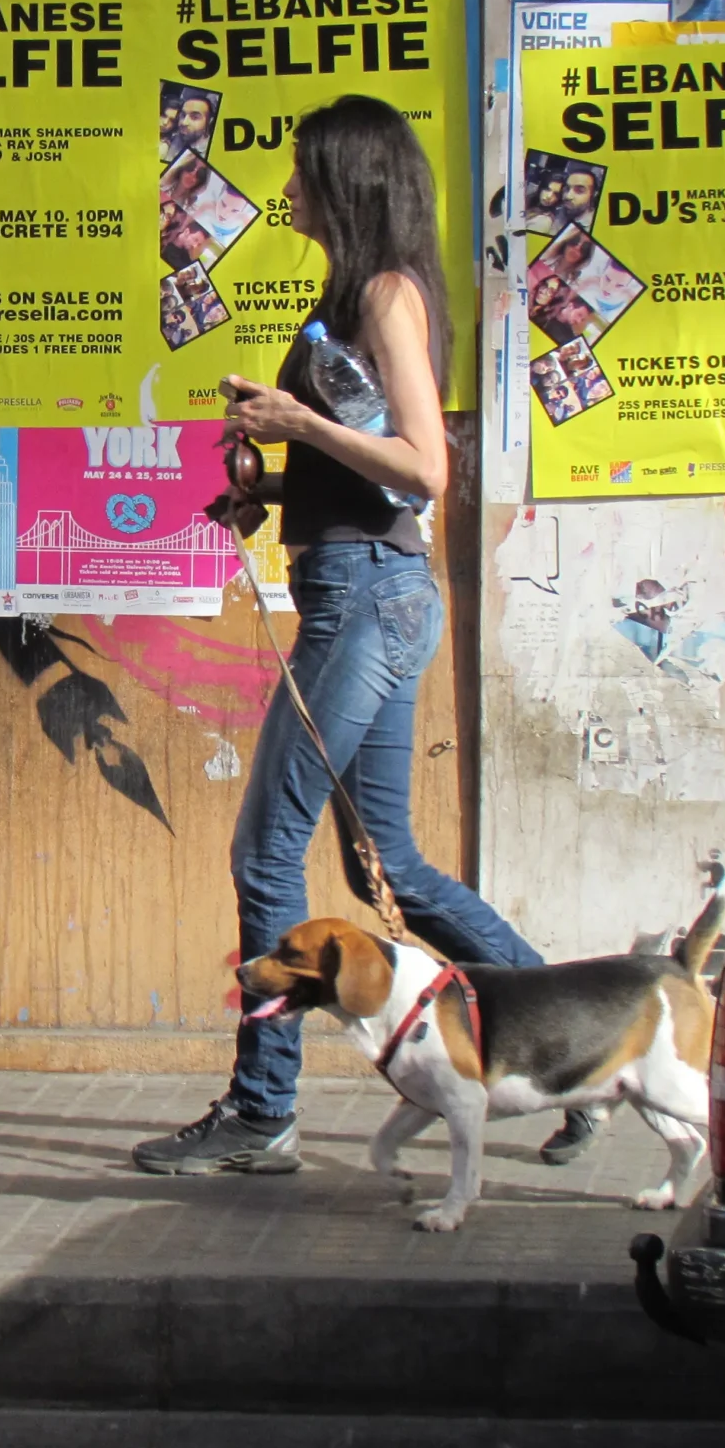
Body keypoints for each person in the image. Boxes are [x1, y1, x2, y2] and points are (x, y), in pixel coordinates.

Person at [134, 94, 597, 1176]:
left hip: (366, 600)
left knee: (265, 850)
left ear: (347, 183)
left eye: (300, 175)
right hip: (368, 587)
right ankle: (573, 1050)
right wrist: (273, 480)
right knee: (391, 861)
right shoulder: (354, 297)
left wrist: (297, 423)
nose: (285, 192)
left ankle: (262, 1114)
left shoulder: (387, 296)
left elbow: (426, 468)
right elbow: (368, 464)